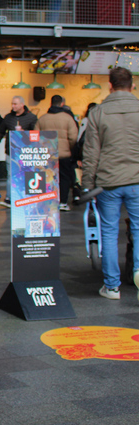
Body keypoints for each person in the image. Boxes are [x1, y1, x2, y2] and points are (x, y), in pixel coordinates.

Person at [81, 67, 139, 301]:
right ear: (132, 86)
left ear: (110, 85)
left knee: (109, 231)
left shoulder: (98, 112)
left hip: (108, 182)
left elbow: (91, 153)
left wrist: (87, 184)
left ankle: (112, 286)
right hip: (137, 179)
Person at [36, 95, 78, 211]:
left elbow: (35, 136)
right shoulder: (68, 118)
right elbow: (73, 137)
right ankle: (63, 202)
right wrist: (69, 148)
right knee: (64, 178)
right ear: (62, 104)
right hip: (64, 154)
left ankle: (48, 202)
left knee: (48, 177)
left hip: (47, 154)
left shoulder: (42, 118)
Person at [0, 96, 38, 207]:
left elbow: (36, 135)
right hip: (10, 151)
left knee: (26, 175)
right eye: (12, 104)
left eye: (15, 104)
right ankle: (9, 198)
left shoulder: (32, 118)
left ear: (22, 105)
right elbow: (1, 132)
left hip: (26, 152)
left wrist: (24, 132)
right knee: (11, 175)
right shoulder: (8, 118)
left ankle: (26, 198)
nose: (13, 106)